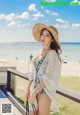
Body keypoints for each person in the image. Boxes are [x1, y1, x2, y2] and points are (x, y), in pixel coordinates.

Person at [25, 23, 62, 115]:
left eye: (47, 35)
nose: (43, 37)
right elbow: (33, 73)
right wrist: (28, 88)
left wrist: (34, 93)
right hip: (34, 89)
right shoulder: (39, 52)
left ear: (52, 39)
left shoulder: (52, 54)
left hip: (44, 92)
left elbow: (48, 77)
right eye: (42, 34)